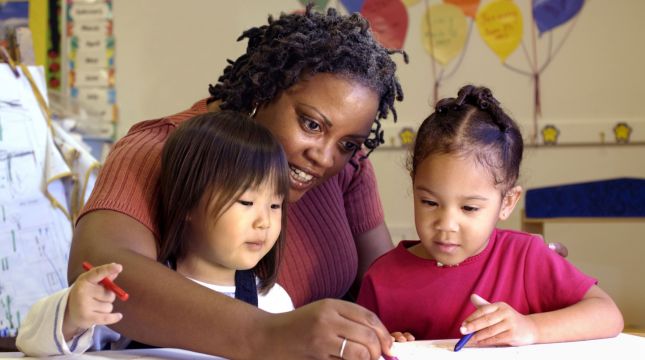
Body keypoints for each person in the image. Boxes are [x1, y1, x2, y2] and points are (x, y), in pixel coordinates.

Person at [68, 4, 402, 359]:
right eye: (311, 124)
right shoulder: (163, 149)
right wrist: (267, 334)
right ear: (264, 92)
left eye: (347, 144)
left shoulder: (347, 169)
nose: (324, 157)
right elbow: (104, 268)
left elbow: (388, 289)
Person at [356, 85, 624, 346]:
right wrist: (387, 343)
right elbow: (363, 342)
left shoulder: (525, 257)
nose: (446, 225)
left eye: (469, 208)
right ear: (413, 187)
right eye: (429, 202)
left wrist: (530, 328)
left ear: (507, 202)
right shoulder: (382, 278)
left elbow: (607, 314)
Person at [17, 111, 294, 356]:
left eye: (275, 205)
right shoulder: (133, 294)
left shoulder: (275, 303)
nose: (264, 222)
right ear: (187, 202)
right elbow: (32, 343)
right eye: (246, 203)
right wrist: (71, 314)